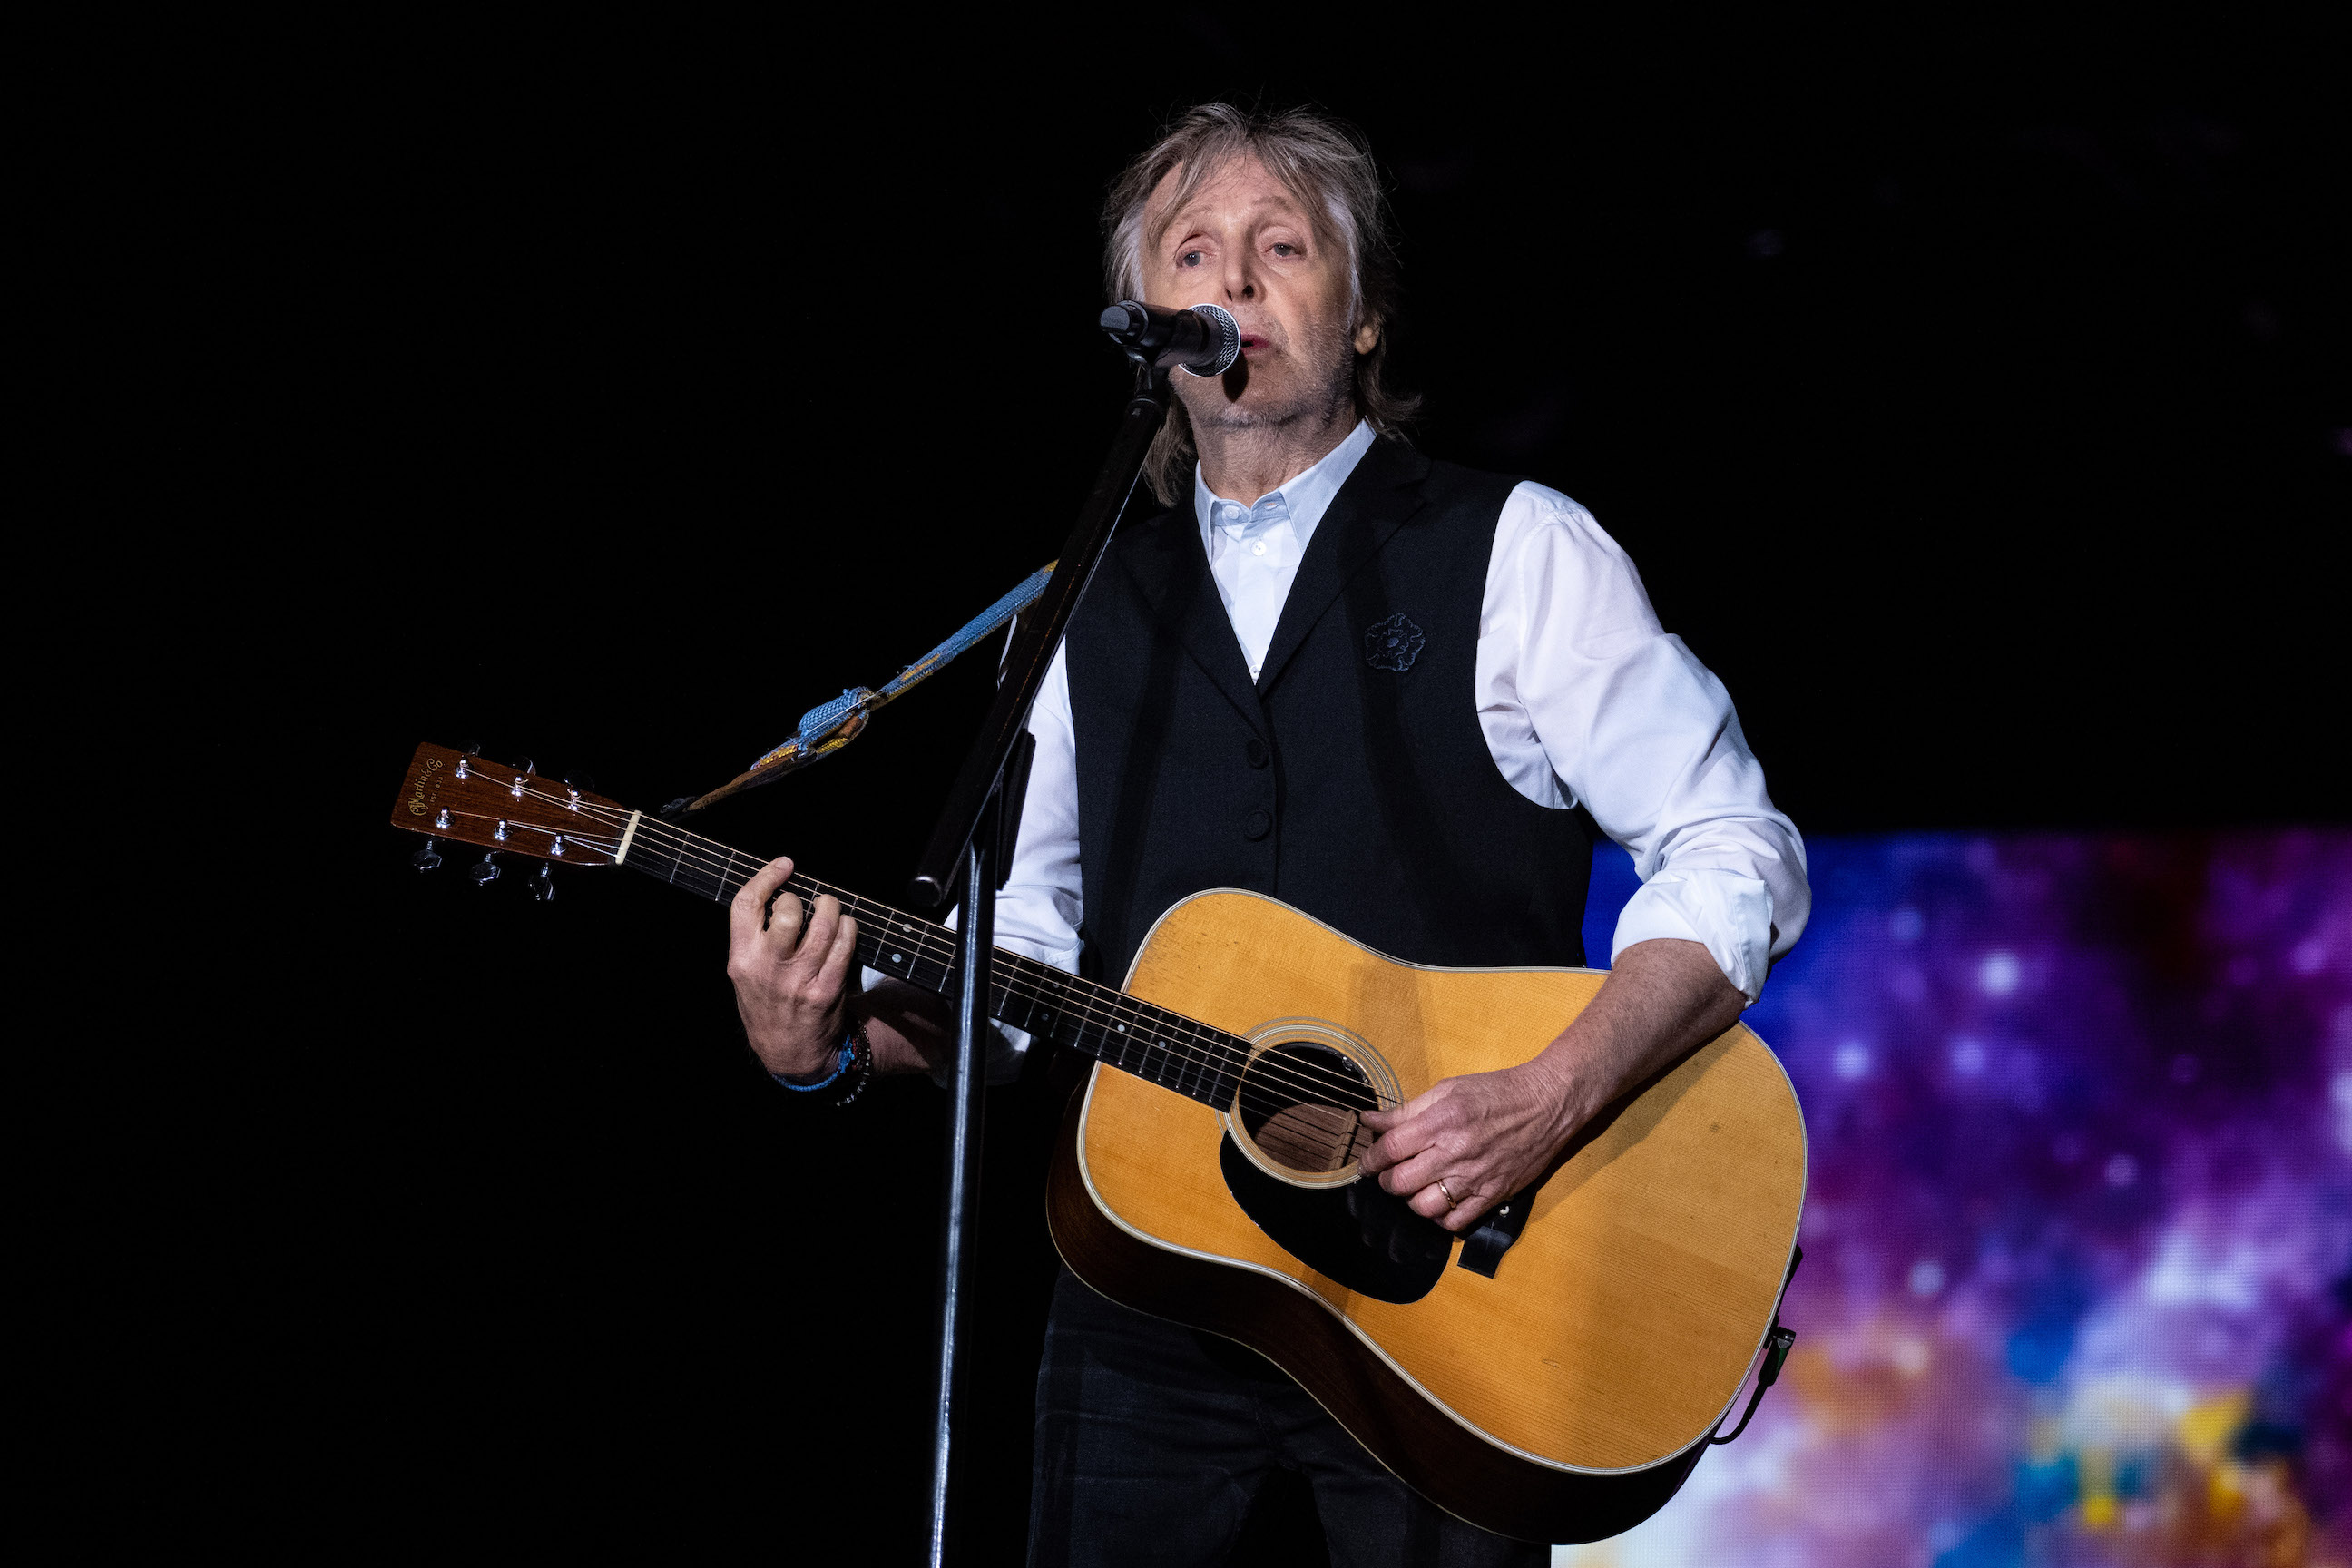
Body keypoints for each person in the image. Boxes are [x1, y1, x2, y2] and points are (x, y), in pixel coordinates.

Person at [723, 103, 1809, 1568]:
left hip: (1457, 1291)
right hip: (1146, 1299)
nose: (1230, 281)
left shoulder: (1522, 550)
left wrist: (1549, 1096)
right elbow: (1027, 969)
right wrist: (840, 1048)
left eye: (1281, 247)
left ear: (1361, 318)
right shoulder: (1074, 613)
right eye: (1192, 254)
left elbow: (1732, 848)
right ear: (1145, 328)